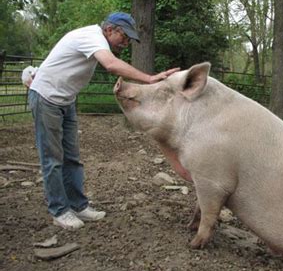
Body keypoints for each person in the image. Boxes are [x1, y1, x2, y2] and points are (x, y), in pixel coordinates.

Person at [28, 12, 180, 230]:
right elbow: (110, 65)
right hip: (46, 98)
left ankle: (78, 206)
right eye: (124, 37)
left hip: (65, 100)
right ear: (110, 30)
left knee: (71, 157)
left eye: (129, 39)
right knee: (53, 158)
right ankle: (59, 210)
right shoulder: (92, 36)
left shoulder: (97, 40)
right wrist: (150, 78)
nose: (126, 43)